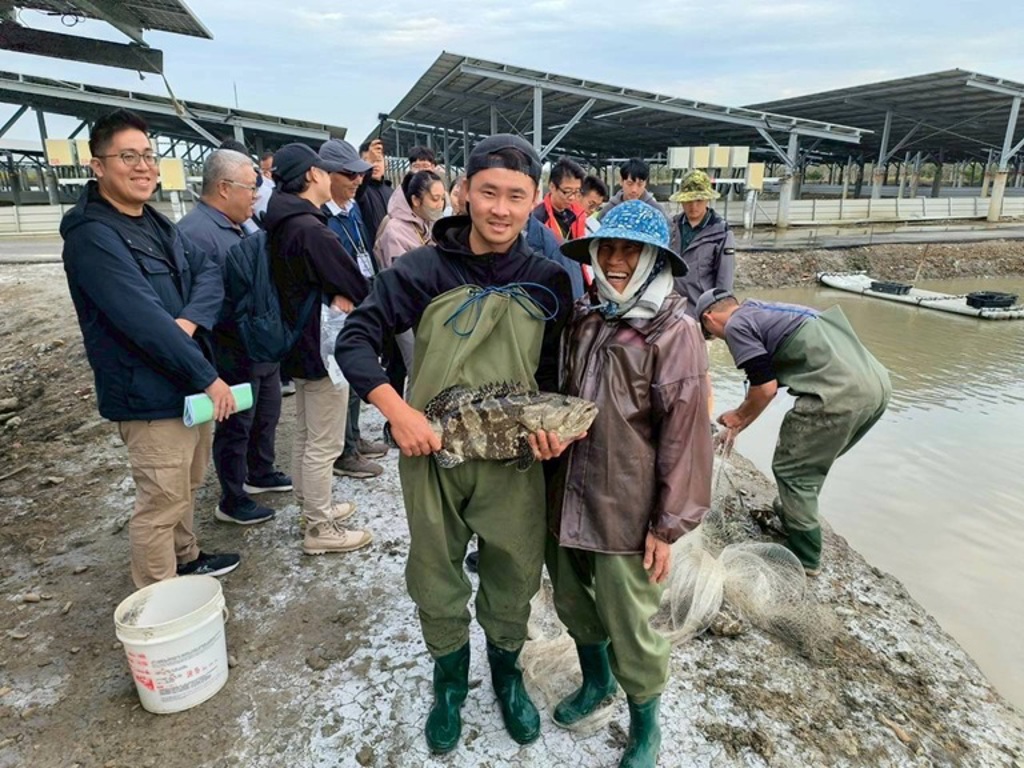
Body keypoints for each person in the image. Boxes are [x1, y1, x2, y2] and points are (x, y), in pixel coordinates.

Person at [337, 134, 576, 754]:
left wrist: (550, 433)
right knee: (436, 571)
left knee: (514, 570)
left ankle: (505, 673)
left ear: (533, 203)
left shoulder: (550, 279)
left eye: (515, 197)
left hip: (513, 463)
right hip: (431, 453)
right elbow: (356, 339)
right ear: (464, 192)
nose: (500, 208)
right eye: (488, 192)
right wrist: (396, 412)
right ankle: (449, 683)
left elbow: (553, 379)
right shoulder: (422, 268)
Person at [547, 200, 712, 768]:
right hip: (567, 493)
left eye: (630, 250)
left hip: (628, 506)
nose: (615, 261)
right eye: (607, 248)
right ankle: (597, 681)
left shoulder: (675, 329)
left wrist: (667, 526)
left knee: (631, 622)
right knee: (572, 599)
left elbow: (686, 436)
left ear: (652, 259)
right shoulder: (585, 313)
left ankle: (646, 723)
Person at [61, 109, 240, 586]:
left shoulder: (154, 222)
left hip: (182, 383)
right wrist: (206, 375)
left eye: (148, 156)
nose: (143, 167)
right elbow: (140, 320)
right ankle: (159, 605)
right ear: (97, 165)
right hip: (148, 394)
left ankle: (186, 556)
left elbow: (207, 272)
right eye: (127, 157)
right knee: (160, 503)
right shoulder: (92, 235)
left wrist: (186, 321)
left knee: (187, 485)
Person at [697, 288, 891, 576]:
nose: (717, 339)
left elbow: (765, 388)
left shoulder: (737, 325)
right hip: (876, 386)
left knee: (793, 471)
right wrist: (737, 426)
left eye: (709, 334)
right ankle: (793, 512)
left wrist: (737, 415)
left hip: (838, 391)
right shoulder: (763, 311)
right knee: (810, 463)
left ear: (709, 318)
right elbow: (765, 388)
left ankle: (805, 558)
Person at [264, 143, 372, 555]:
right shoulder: (310, 228)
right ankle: (319, 527)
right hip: (322, 345)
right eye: (328, 172)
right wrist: (342, 292)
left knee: (309, 432)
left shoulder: (284, 220)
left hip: (300, 341)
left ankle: (312, 503)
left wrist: (337, 290)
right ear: (313, 174)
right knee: (324, 442)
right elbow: (356, 283)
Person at [178, 149, 292, 526]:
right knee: (236, 424)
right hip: (229, 349)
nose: (256, 195)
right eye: (251, 187)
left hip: (259, 344)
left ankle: (261, 470)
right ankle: (233, 496)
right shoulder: (196, 233)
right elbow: (199, 302)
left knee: (267, 412)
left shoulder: (244, 224)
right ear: (225, 188)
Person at [318, 138, 391, 479]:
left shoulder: (352, 210)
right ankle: (344, 451)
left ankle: (354, 438)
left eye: (359, 174)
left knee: (356, 375)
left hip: (360, 302)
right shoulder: (320, 217)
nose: (356, 181)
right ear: (325, 175)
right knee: (341, 380)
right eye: (348, 174)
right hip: (335, 311)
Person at [373, 169, 446, 387]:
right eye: (435, 199)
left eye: (443, 198)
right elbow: (402, 283)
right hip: (405, 314)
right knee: (417, 368)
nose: (440, 204)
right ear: (415, 200)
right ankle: (411, 416)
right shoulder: (395, 231)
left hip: (428, 310)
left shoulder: (427, 224)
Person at [668, 170, 736, 318]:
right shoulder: (671, 227)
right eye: (688, 201)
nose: (693, 206)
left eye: (699, 200)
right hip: (671, 311)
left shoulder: (721, 233)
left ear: (707, 200)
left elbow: (724, 280)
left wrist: (717, 315)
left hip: (700, 313)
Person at [532, 157, 587, 242]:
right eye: (567, 191)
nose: (572, 197)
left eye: (576, 191)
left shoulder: (577, 213)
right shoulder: (539, 217)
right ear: (552, 186)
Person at [599, 158, 666, 219]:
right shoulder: (608, 210)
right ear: (621, 181)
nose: (634, 190)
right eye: (630, 184)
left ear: (645, 183)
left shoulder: (656, 211)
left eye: (640, 184)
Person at [356, 138, 394, 244]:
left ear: (385, 163)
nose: (374, 165)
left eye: (378, 160)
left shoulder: (391, 192)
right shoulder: (359, 189)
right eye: (368, 161)